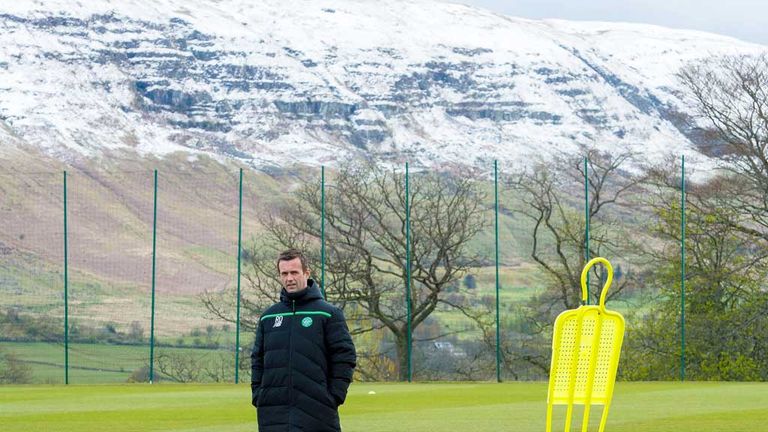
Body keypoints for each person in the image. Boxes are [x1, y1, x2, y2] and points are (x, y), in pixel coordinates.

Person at [251, 248, 356, 432]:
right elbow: (257, 359)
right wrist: (259, 394)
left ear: (306, 273)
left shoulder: (328, 313)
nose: (289, 278)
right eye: (284, 273)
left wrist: (334, 396)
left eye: (294, 272)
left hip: (317, 412)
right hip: (273, 413)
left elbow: (345, 356)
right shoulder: (268, 317)